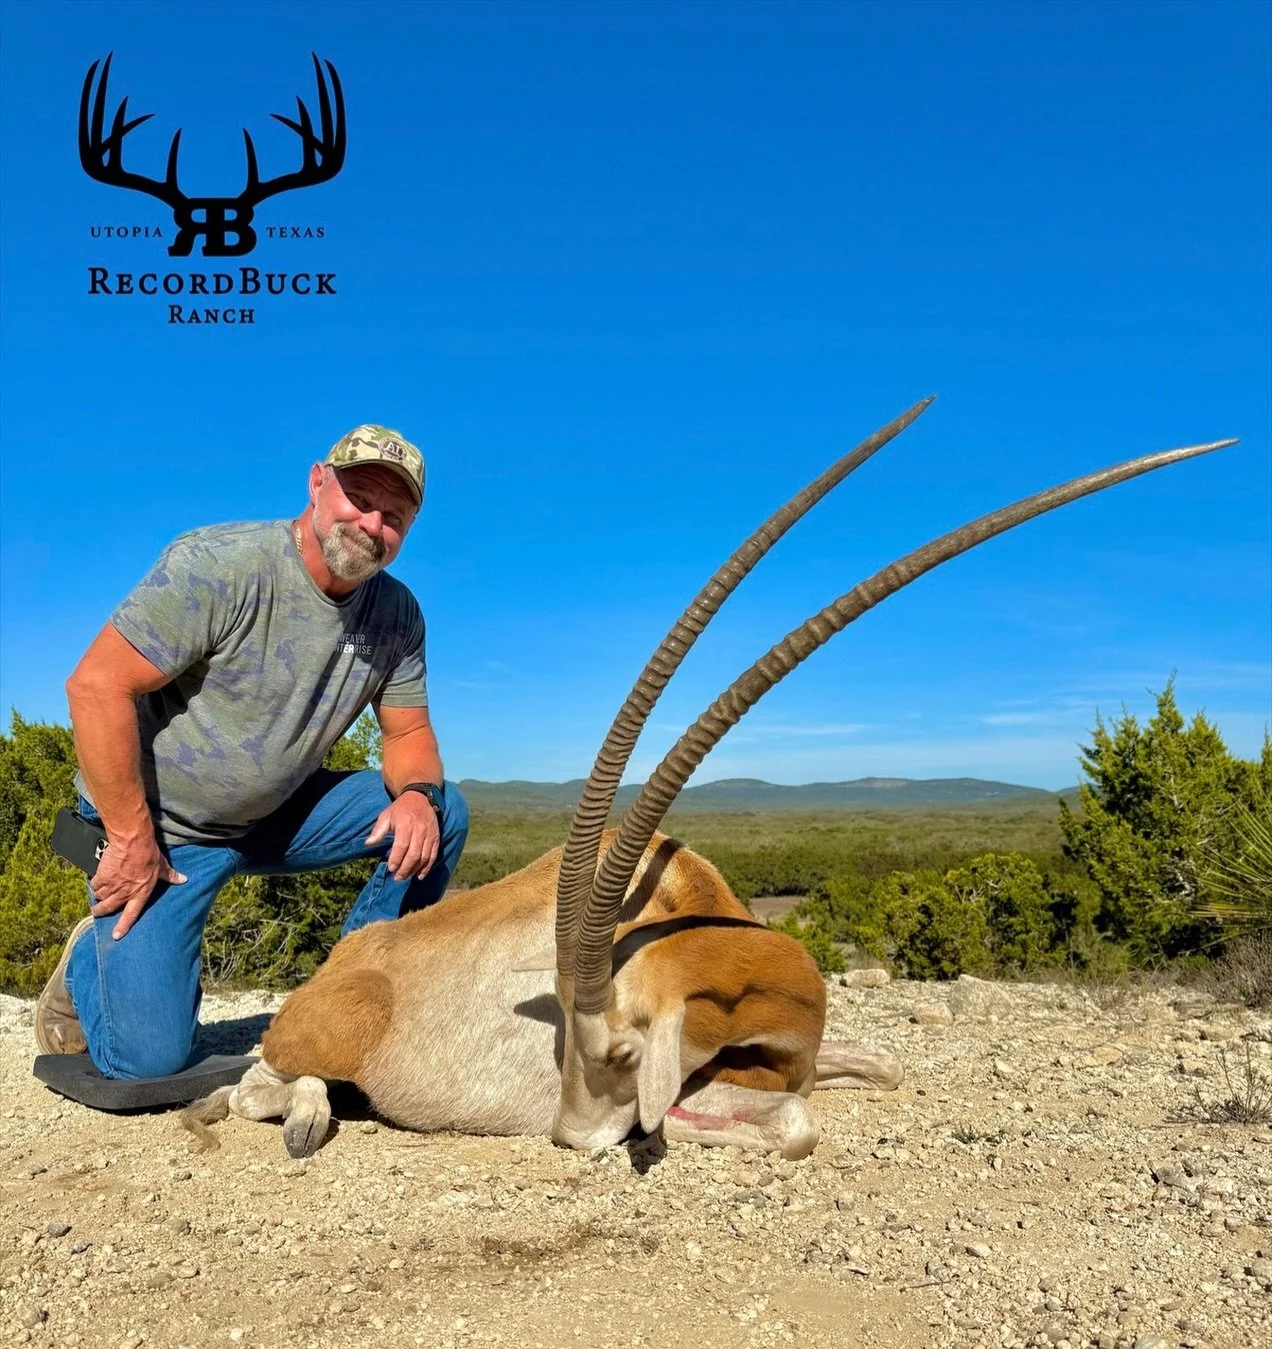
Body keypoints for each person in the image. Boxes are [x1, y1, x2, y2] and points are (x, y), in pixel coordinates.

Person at [35, 424, 469, 1080]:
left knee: (443, 811)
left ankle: (358, 992)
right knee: (144, 1060)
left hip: (276, 816)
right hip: (162, 834)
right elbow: (96, 686)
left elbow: (408, 734)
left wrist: (414, 797)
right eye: (360, 497)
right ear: (318, 481)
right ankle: (85, 970)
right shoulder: (223, 565)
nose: (372, 523)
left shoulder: (397, 616)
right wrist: (129, 836)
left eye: (395, 515)